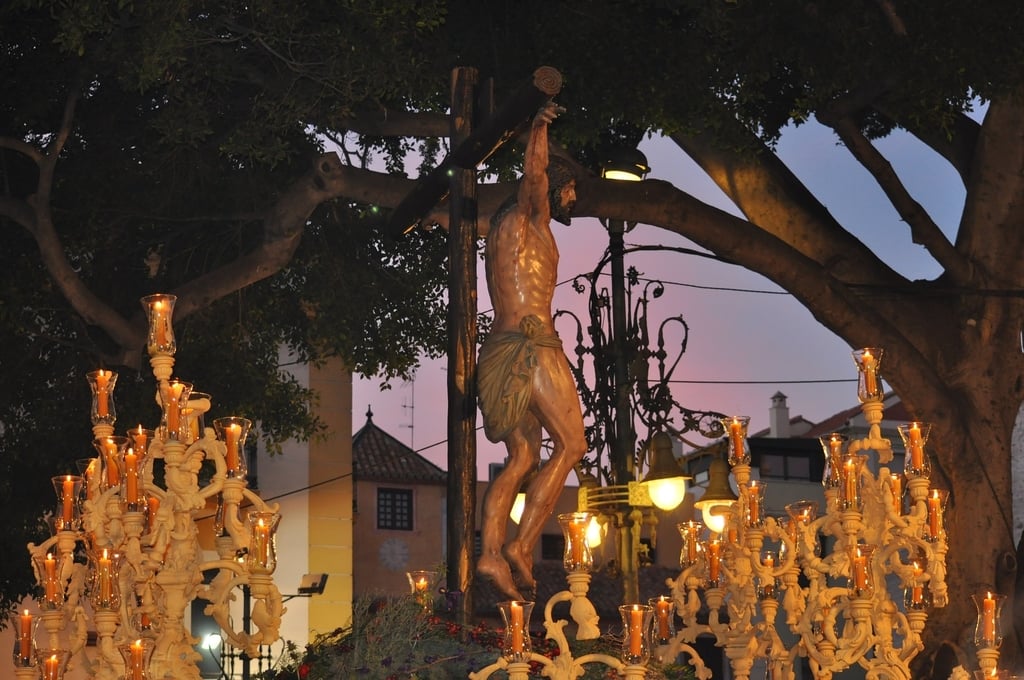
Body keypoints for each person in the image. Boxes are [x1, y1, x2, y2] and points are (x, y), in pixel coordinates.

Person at [476, 101, 588, 600]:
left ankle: (489, 554)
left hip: (497, 348)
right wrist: (539, 124)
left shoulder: (496, 237)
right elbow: (534, 176)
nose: (572, 199)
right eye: (571, 189)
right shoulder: (529, 221)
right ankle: (521, 546)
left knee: (521, 455)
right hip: (533, 344)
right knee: (573, 445)